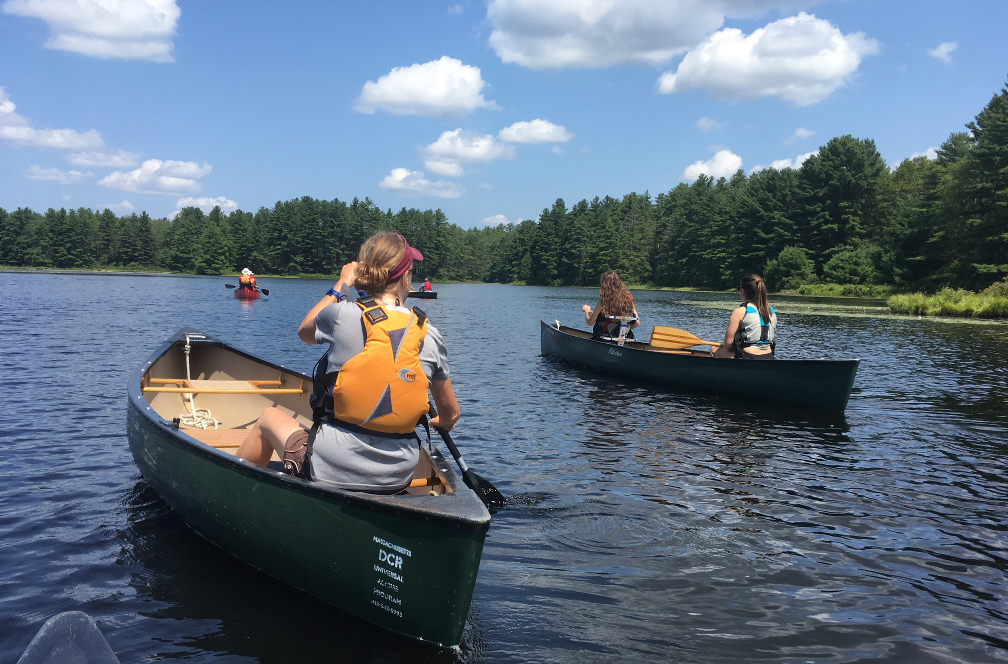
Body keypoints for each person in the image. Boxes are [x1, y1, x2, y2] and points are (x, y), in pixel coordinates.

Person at [236, 233, 459, 492]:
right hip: (398, 476)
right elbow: (450, 414)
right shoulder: (429, 333)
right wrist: (438, 421)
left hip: (332, 467)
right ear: (406, 277)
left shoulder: (341, 315)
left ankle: (233, 497)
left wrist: (341, 283)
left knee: (268, 417)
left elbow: (305, 332)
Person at [710, 274, 777, 360]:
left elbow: (727, 345)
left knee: (714, 350)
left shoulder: (740, 311)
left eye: (739, 288)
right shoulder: (771, 311)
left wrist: (718, 349)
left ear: (743, 291)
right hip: (769, 357)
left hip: (748, 357)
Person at [582, 271, 640, 340]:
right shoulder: (628, 299)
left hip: (604, 339)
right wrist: (621, 329)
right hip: (625, 340)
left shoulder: (602, 302)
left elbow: (590, 322)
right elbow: (637, 323)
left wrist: (587, 311)